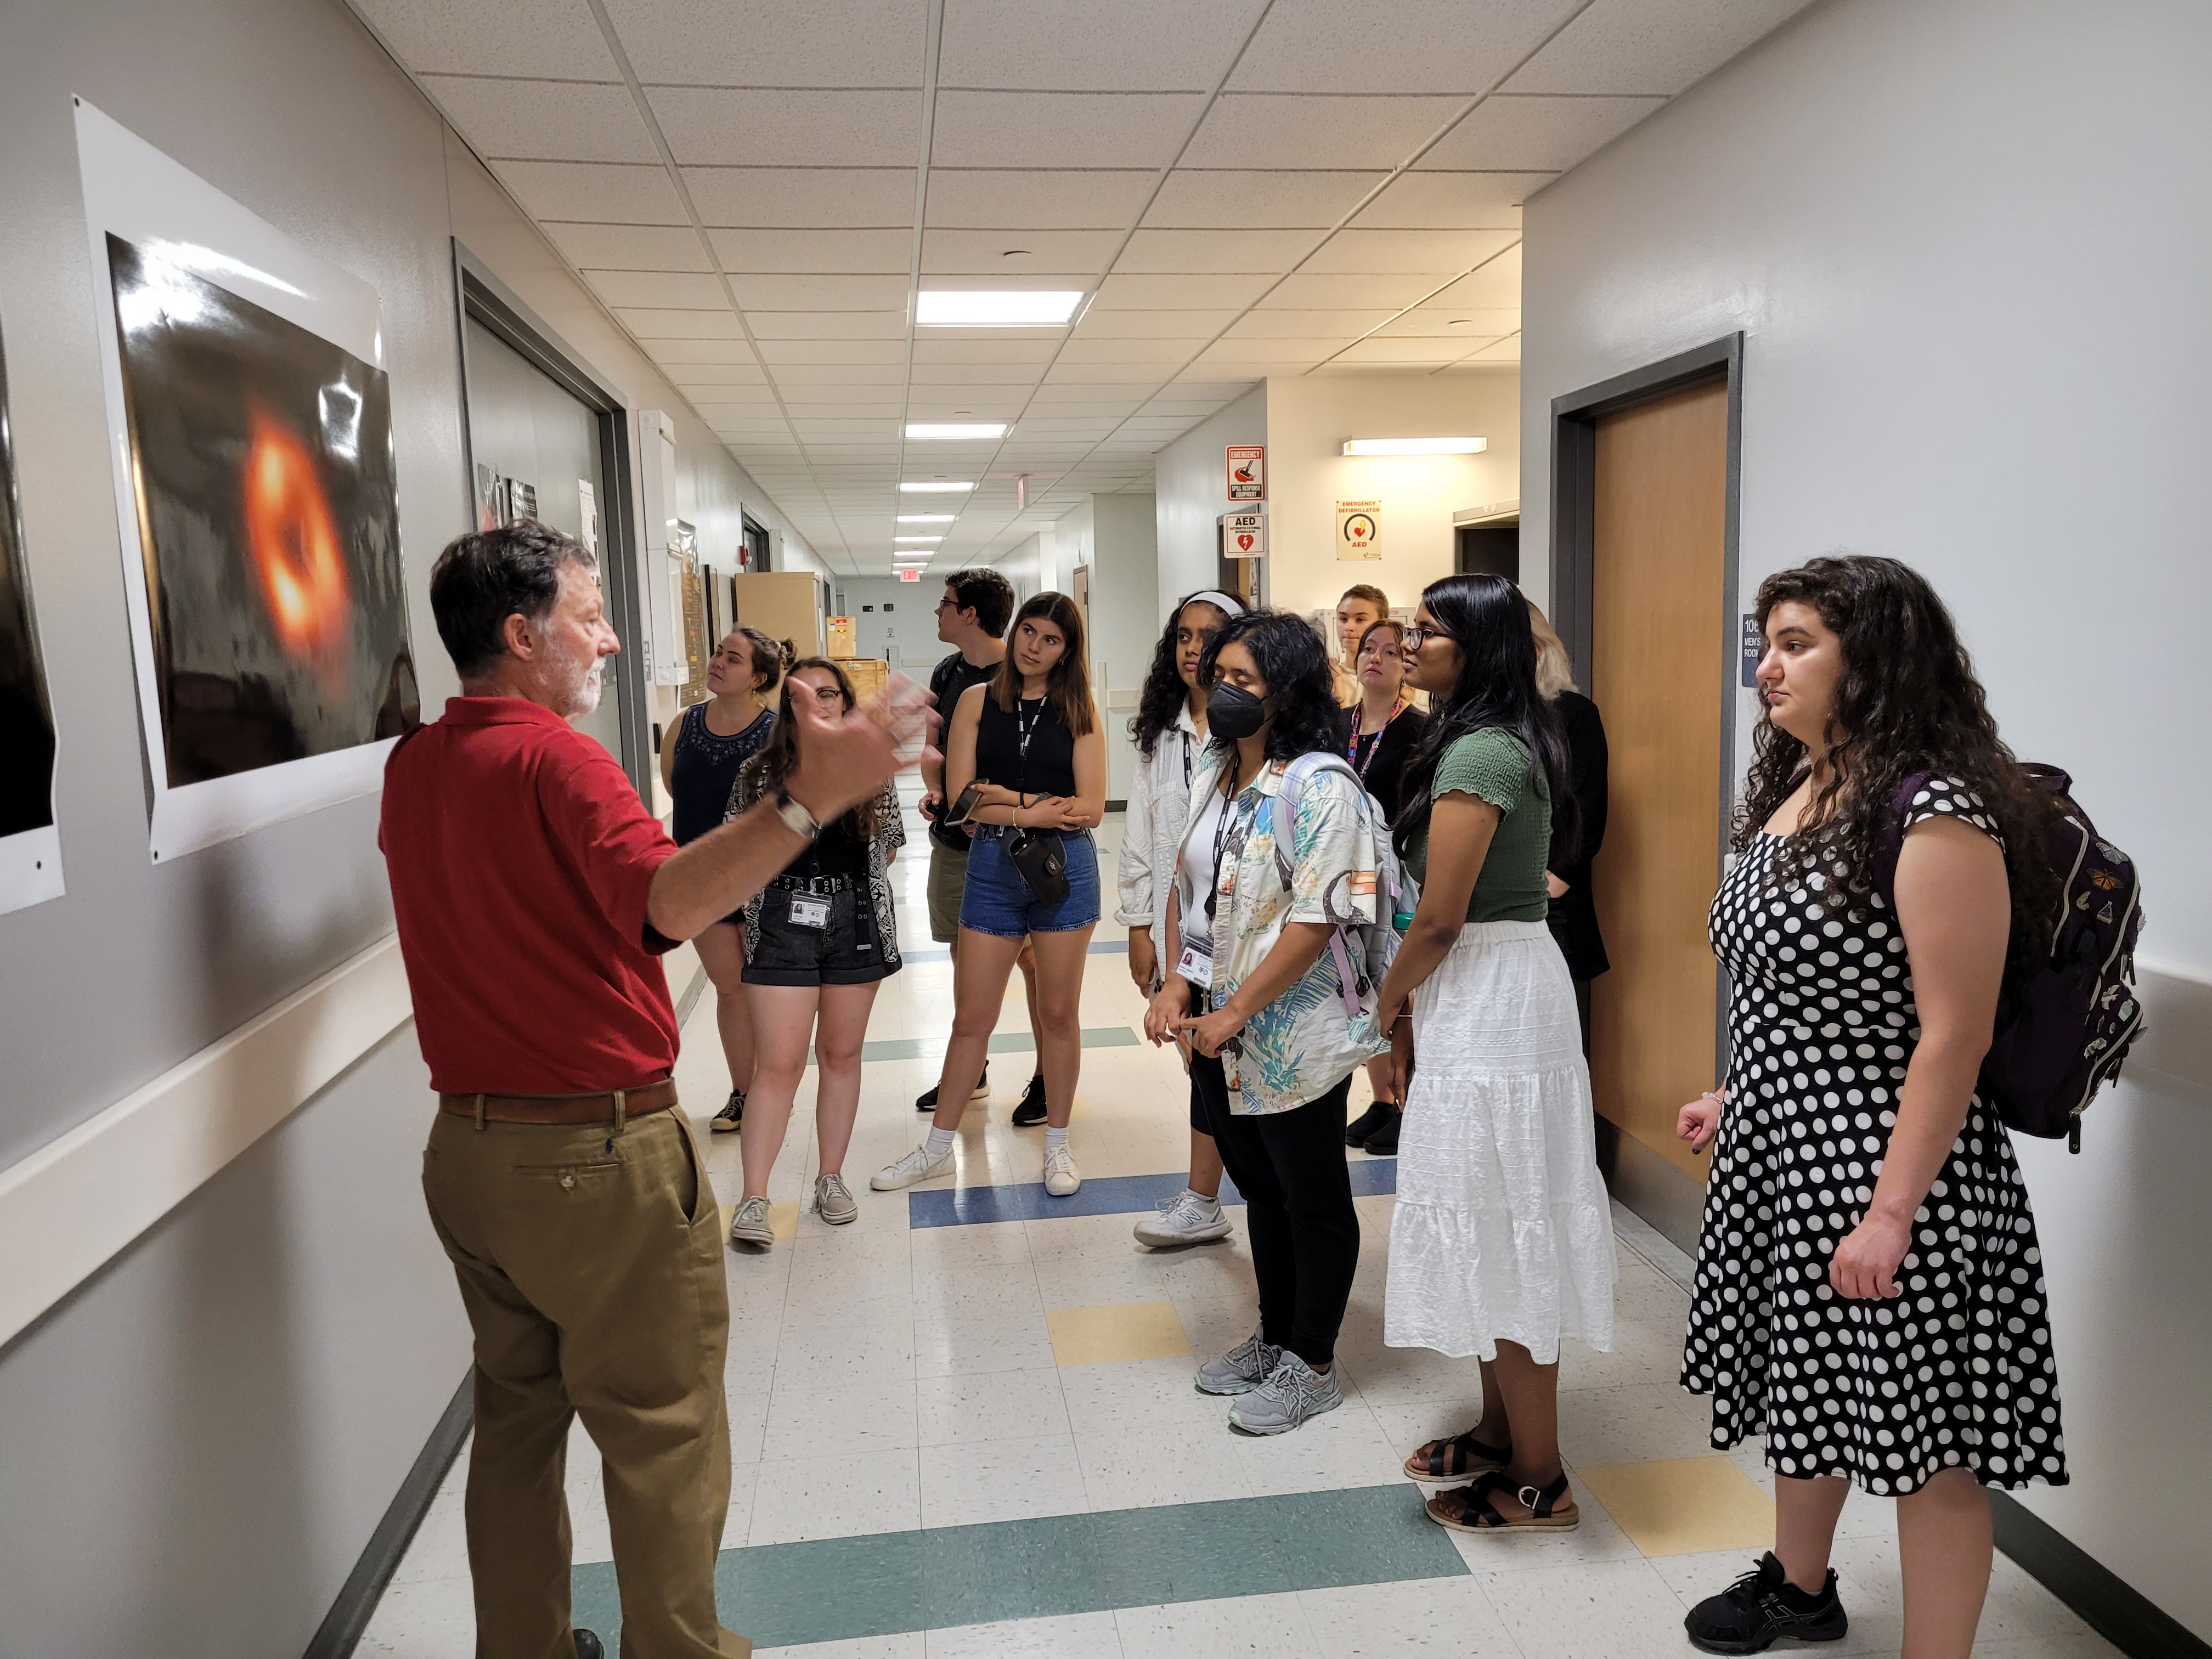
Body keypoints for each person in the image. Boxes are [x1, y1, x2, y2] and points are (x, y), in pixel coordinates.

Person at [381, 522, 923, 1659]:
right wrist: (805, 800)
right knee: (662, 1430)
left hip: (469, 1157)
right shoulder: (559, 760)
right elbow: (668, 904)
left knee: (516, 1420)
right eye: (589, 617)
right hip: (594, 1161)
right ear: (521, 634)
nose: (612, 640)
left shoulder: (418, 762)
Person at [1673, 556, 2067, 1658]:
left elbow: (1952, 1033)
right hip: (1789, 1155)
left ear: (1877, 659)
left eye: (1797, 643)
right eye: (1765, 643)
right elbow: (1801, 988)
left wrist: (1891, 1214)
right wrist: (1740, 1093)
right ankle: (1800, 1588)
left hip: (1893, 1173)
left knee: (1926, 1445)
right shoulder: (1803, 787)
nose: (1768, 666)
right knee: (1807, 1385)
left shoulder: (1934, 812)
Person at [1375, 572, 1615, 1533]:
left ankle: (1540, 1477)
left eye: (1426, 632)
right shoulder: (1487, 734)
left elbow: (1439, 917)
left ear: (1475, 648)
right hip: (1486, 985)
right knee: (1488, 1214)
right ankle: (1497, 1427)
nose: (1408, 644)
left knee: (1512, 1224)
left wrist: (1384, 1004)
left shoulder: (1482, 750)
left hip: (1490, 994)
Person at [1141, 611, 1387, 1435]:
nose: (1223, 691)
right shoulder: (1216, 769)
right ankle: (1274, 1336)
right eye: (1220, 676)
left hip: (1292, 1034)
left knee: (1311, 1197)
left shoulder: (1321, 786)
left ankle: (1312, 1364)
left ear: (1286, 691)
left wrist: (1237, 1009)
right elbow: (1194, 890)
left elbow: (1320, 917)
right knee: (1262, 1192)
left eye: (1243, 680)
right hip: (1216, 1027)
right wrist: (1179, 985)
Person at [875, 592, 1106, 1198]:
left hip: (1063, 870)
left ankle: (1058, 1146)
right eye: (1029, 631)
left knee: (1058, 1015)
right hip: (993, 871)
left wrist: (1003, 798)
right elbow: (962, 800)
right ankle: (936, 1150)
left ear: (1067, 651)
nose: (1034, 646)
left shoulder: (1078, 709)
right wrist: (1033, 809)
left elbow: (1089, 808)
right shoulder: (978, 701)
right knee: (972, 1019)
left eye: (1051, 639)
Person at [724, 659, 905, 1246]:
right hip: (782, 918)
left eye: (829, 694)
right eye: (803, 695)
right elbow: (737, 850)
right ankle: (754, 1197)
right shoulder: (758, 772)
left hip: (855, 918)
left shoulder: (870, 770)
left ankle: (831, 1178)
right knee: (778, 1066)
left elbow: (889, 846)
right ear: (788, 708)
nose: (818, 704)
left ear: (845, 703)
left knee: (841, 1055)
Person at [1118, 589, 1245, 1248]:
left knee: (1223, 1062)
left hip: (1244, 926)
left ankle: (1213, 1195)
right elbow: (1141, 833)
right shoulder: (1163, 730)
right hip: (1180, 930)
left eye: (1209, 635)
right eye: (1184, 636)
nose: (1194, 648)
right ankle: (1205, 1197)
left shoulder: (1249, 726)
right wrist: (1138, 926)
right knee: (1200, 1060)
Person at [915, 570, 1047, 1122]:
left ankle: (1047, 1077)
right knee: (963, 957)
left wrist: (990, 810)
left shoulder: (1021, 677)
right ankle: (971, 1070)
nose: (938, 612)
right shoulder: (947, 672)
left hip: (1014, 845)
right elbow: (936, 747)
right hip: (954, 843)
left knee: (1033, 962)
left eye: (945, 603)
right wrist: (937, 792)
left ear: (970, 614)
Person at [659, 627, 784, 1134]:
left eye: (733, 659)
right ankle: (743, 1092)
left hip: (761, 881)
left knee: (763, 989)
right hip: (702, 881)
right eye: (718, 653)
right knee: (730, 987)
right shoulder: (684, 725)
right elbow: (676, 787)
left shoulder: (777, 733)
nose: (718, 662)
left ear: (757, 678)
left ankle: (773, 1089)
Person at [1336, 617, 1430, 1156]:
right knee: (1361, 982)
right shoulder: (1335, 725)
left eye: (1391, 651)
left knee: (1399, 983)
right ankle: (1380, 1100)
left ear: (1406, 667)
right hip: (1345, 874)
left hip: (1399, 874)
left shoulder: (1419, 730)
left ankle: (1407, 1102)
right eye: (1369, 649)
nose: (1376, 658)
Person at [1528, 601, 1609, 1051]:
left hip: (1550, 904)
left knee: (1552, 1043)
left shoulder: (1574, 714)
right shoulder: (1481, 719)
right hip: (1490, 908)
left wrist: (1553, 883)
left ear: (1537, 651)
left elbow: (1588, 809)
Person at [1331, 583, 1390, 706]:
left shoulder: (1398, 678)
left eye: (1360, 620)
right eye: (1343, 619)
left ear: (1382, 624)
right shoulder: (1329, 678)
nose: (1349, 627)